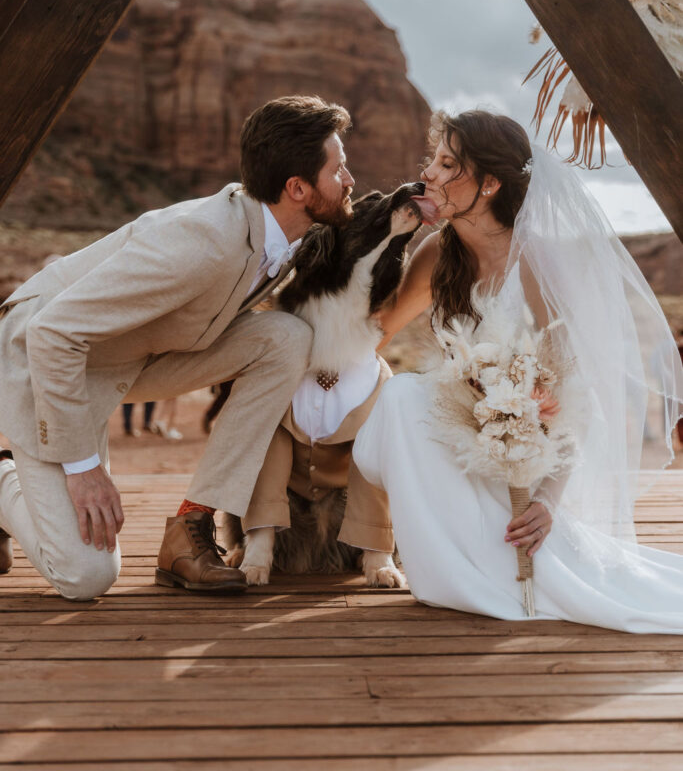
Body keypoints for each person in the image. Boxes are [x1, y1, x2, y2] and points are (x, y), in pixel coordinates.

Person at [0, 96, 354, 599]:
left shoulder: (287, 234)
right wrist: (82, 469)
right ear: (297, 188)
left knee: (285, 339)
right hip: (45, 361)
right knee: (85, 576)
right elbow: (52, 333)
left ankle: (189, 527)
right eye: (339, 169)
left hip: (136, 356)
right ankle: (3, 482)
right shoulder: (203, 242)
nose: (350, 180)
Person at [353, 109, 683, 632]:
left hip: (529, 458)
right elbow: (377, 331)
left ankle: (487, 565)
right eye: (431, 162)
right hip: (460, 437)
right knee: (403, 397)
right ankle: (451, 565)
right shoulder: (438, 253)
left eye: (446, 165)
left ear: (488, 184)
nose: (428, 176)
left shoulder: (533, 263)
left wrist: (547, 503)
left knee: (407, 399)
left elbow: (573, 394)